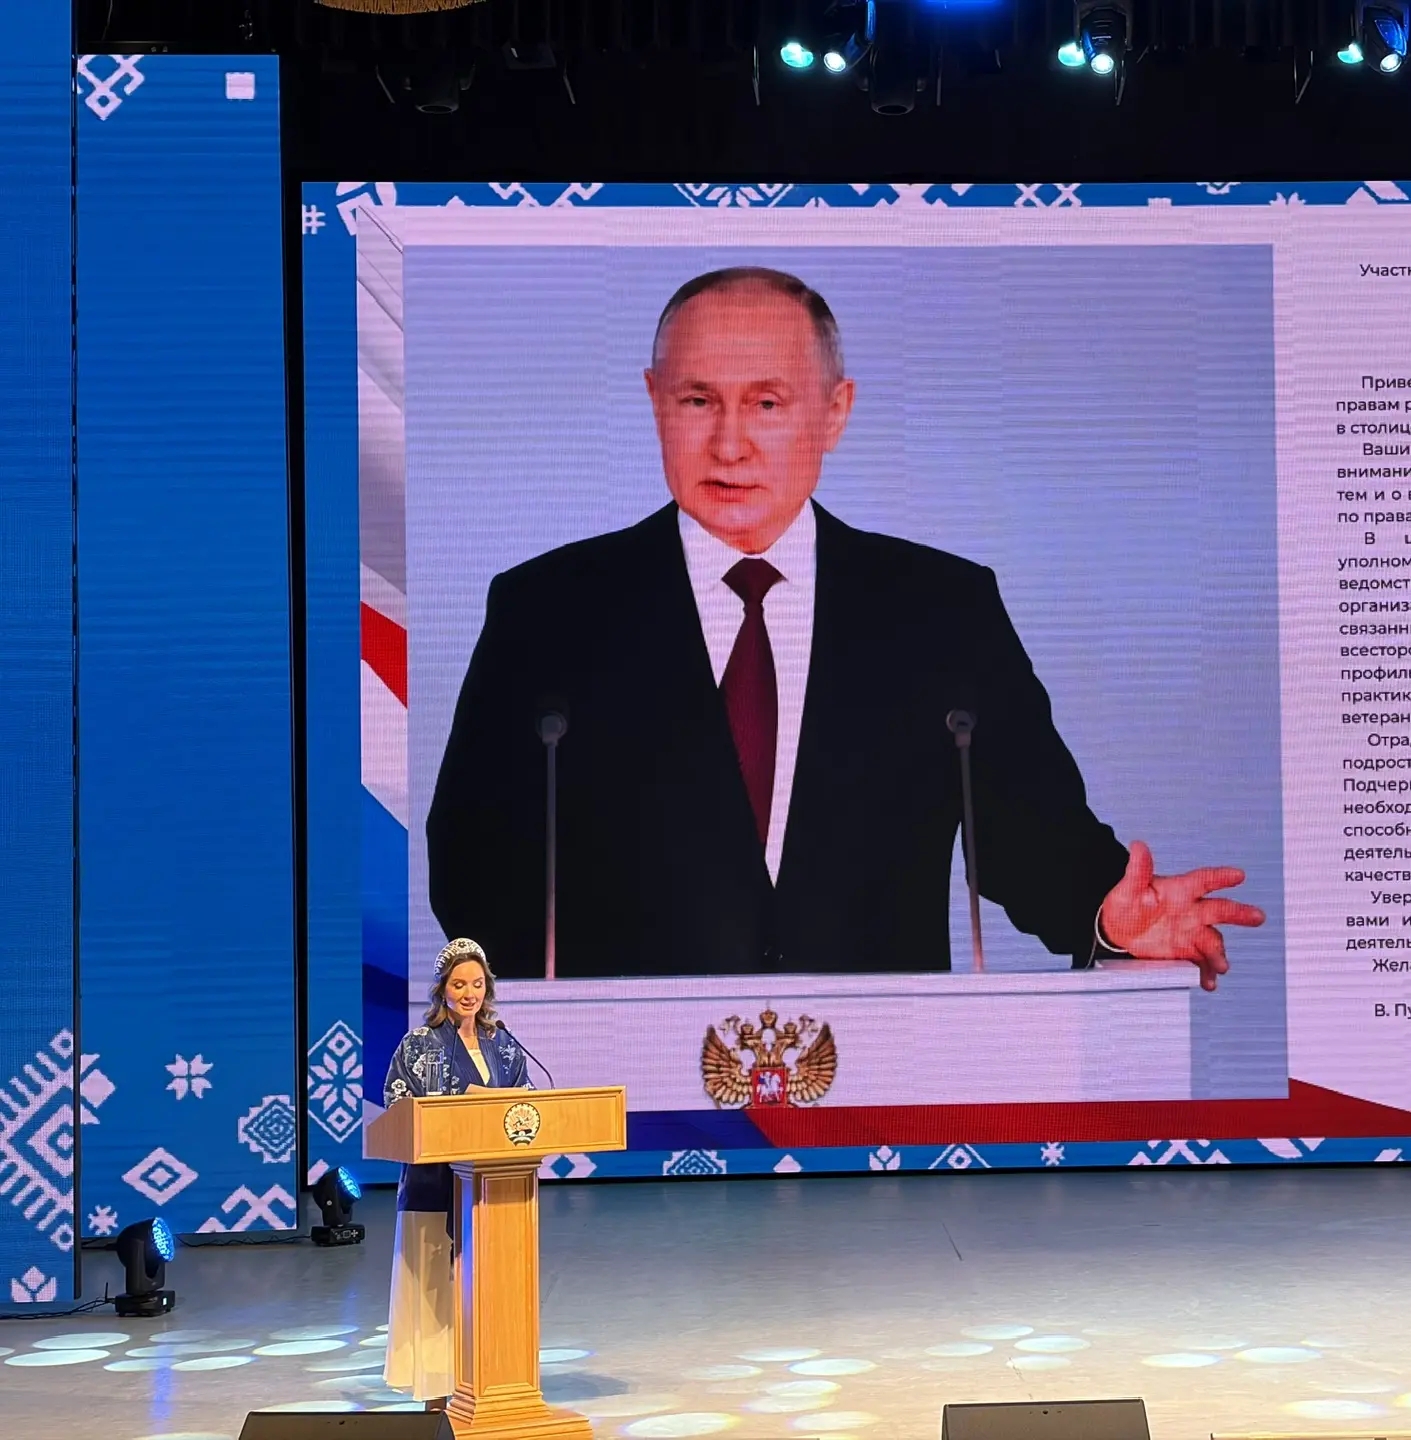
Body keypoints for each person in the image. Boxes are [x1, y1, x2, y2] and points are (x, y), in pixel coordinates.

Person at [427, 266, 1264, 985]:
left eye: (766, 402)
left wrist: (1110, 922)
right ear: (655, 402)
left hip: (883, 1089)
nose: (729, 444)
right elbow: (473, 865)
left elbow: (1033, 840)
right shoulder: (548, 609)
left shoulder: (943, 609)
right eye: (698, 400)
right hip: (633, 1090)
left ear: (834, 412)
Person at [382, 937, 530, 1408]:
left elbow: (523, 1104)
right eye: (459, 984)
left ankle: (488, 1383)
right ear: (442, 989)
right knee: (435, 1292)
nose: (470, 993)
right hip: (432, 1189)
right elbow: (397, 1108)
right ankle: (436, 1394)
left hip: (490, 1194)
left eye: (478, 984)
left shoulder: (503, 1044)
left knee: (483, 1291)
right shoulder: (418, 1044)